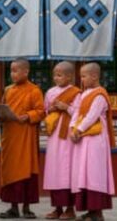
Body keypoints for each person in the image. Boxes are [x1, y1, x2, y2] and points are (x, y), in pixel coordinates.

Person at [0, 58, 44, 219]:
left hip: (26, 136)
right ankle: (13, 207)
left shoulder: (34, 90)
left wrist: (28, 116)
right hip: (10, 135)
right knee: (10, 170)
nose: (13, 74)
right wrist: (0, 115)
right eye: (11, 70)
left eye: (16, 70)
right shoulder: (8, 90)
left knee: (26, 170)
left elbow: (40, 111)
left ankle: (26, 207)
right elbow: (3, 108)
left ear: (26, 72)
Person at [69, 63, 116, 221]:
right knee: (84, 173)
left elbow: (92, 116)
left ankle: (98, 212)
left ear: (95, 76)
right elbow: (76, 111)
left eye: (84, 76)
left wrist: (79, 129)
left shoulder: (100, 95)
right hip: (83, 139)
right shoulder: (84, 94)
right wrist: (71, 128)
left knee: (94, 174)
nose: (81, 79)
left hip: (96, 140)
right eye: (81, 76)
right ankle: (90, 210)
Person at [43, 62, 81, 220]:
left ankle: (70, 209)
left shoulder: (77, 93)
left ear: (70, 76)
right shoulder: (50, 92)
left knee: (67, 171)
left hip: (68, 137)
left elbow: (79, 114)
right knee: (54, 171)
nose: (56, 78)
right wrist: (51, 109)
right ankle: (57, 208)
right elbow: (45, 110)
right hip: (54, 136)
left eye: (60, 75)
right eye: (54, 75)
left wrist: (66, 107)